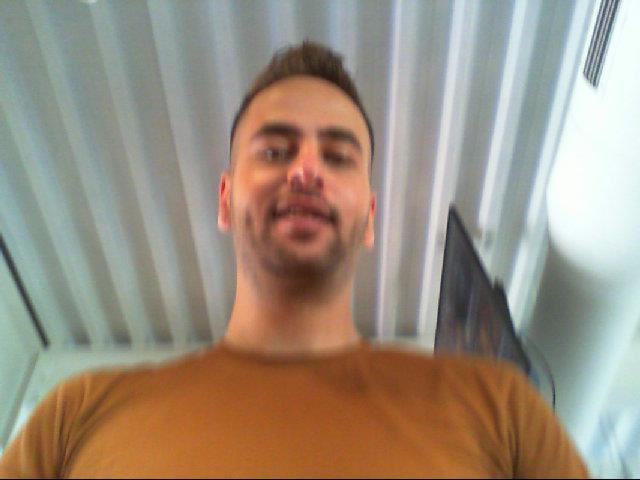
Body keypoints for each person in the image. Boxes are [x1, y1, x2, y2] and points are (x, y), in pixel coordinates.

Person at [0, 40, 589, 478]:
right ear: (225, 199)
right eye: (276, 150)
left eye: (337, 157)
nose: (306, 169)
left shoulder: (500, 408)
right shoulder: (74, 414)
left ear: (370, 216)